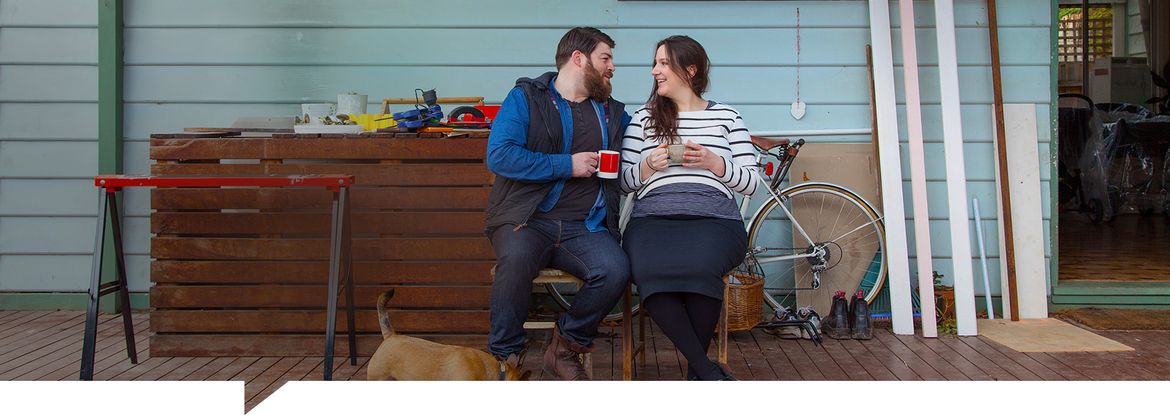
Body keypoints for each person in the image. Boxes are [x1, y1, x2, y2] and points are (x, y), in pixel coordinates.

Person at [483, 27, 632, 381]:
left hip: (585, 226)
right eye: (605, 58)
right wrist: (568, 164)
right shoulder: (526, 98)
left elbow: (647, 136)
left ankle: (564, 346)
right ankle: (506, 358)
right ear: (579, 59)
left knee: (615, 270)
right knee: (516, 260)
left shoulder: (611, 111)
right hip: (527, 220)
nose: (612, 67)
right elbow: (500, 156)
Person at [618, 35, 760, 381]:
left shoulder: (728, 116)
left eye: (664, 63)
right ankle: (704, 371)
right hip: (653, 217)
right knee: (650, 272)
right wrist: (649, 165)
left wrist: (714, 162)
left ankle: (699, 371)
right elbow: (623, 182)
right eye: (655, 64)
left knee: (702, 269)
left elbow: (752, 184)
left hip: (714, 218)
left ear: (690, 70)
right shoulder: (643, 118)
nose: (655, 71)